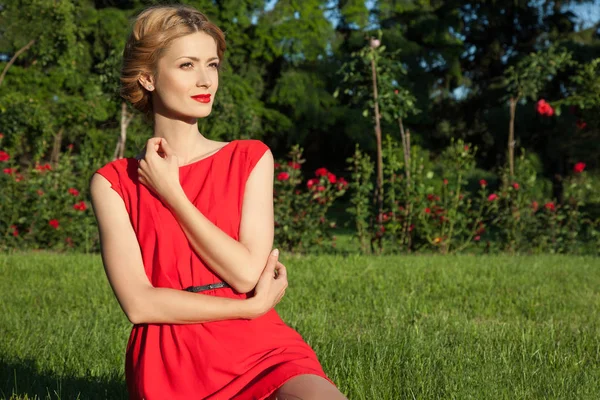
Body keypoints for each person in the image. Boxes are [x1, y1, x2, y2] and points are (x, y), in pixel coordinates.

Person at [89, 4, 347, 400]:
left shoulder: (249, 158)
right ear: (148, 78)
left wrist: (172, 194)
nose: (206, 79)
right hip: (172, 359)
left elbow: (245, 274)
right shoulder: (113, 183)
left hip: (265, 349)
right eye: (187, 65)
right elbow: (140, 305)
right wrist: (248, 307)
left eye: (212, 64)